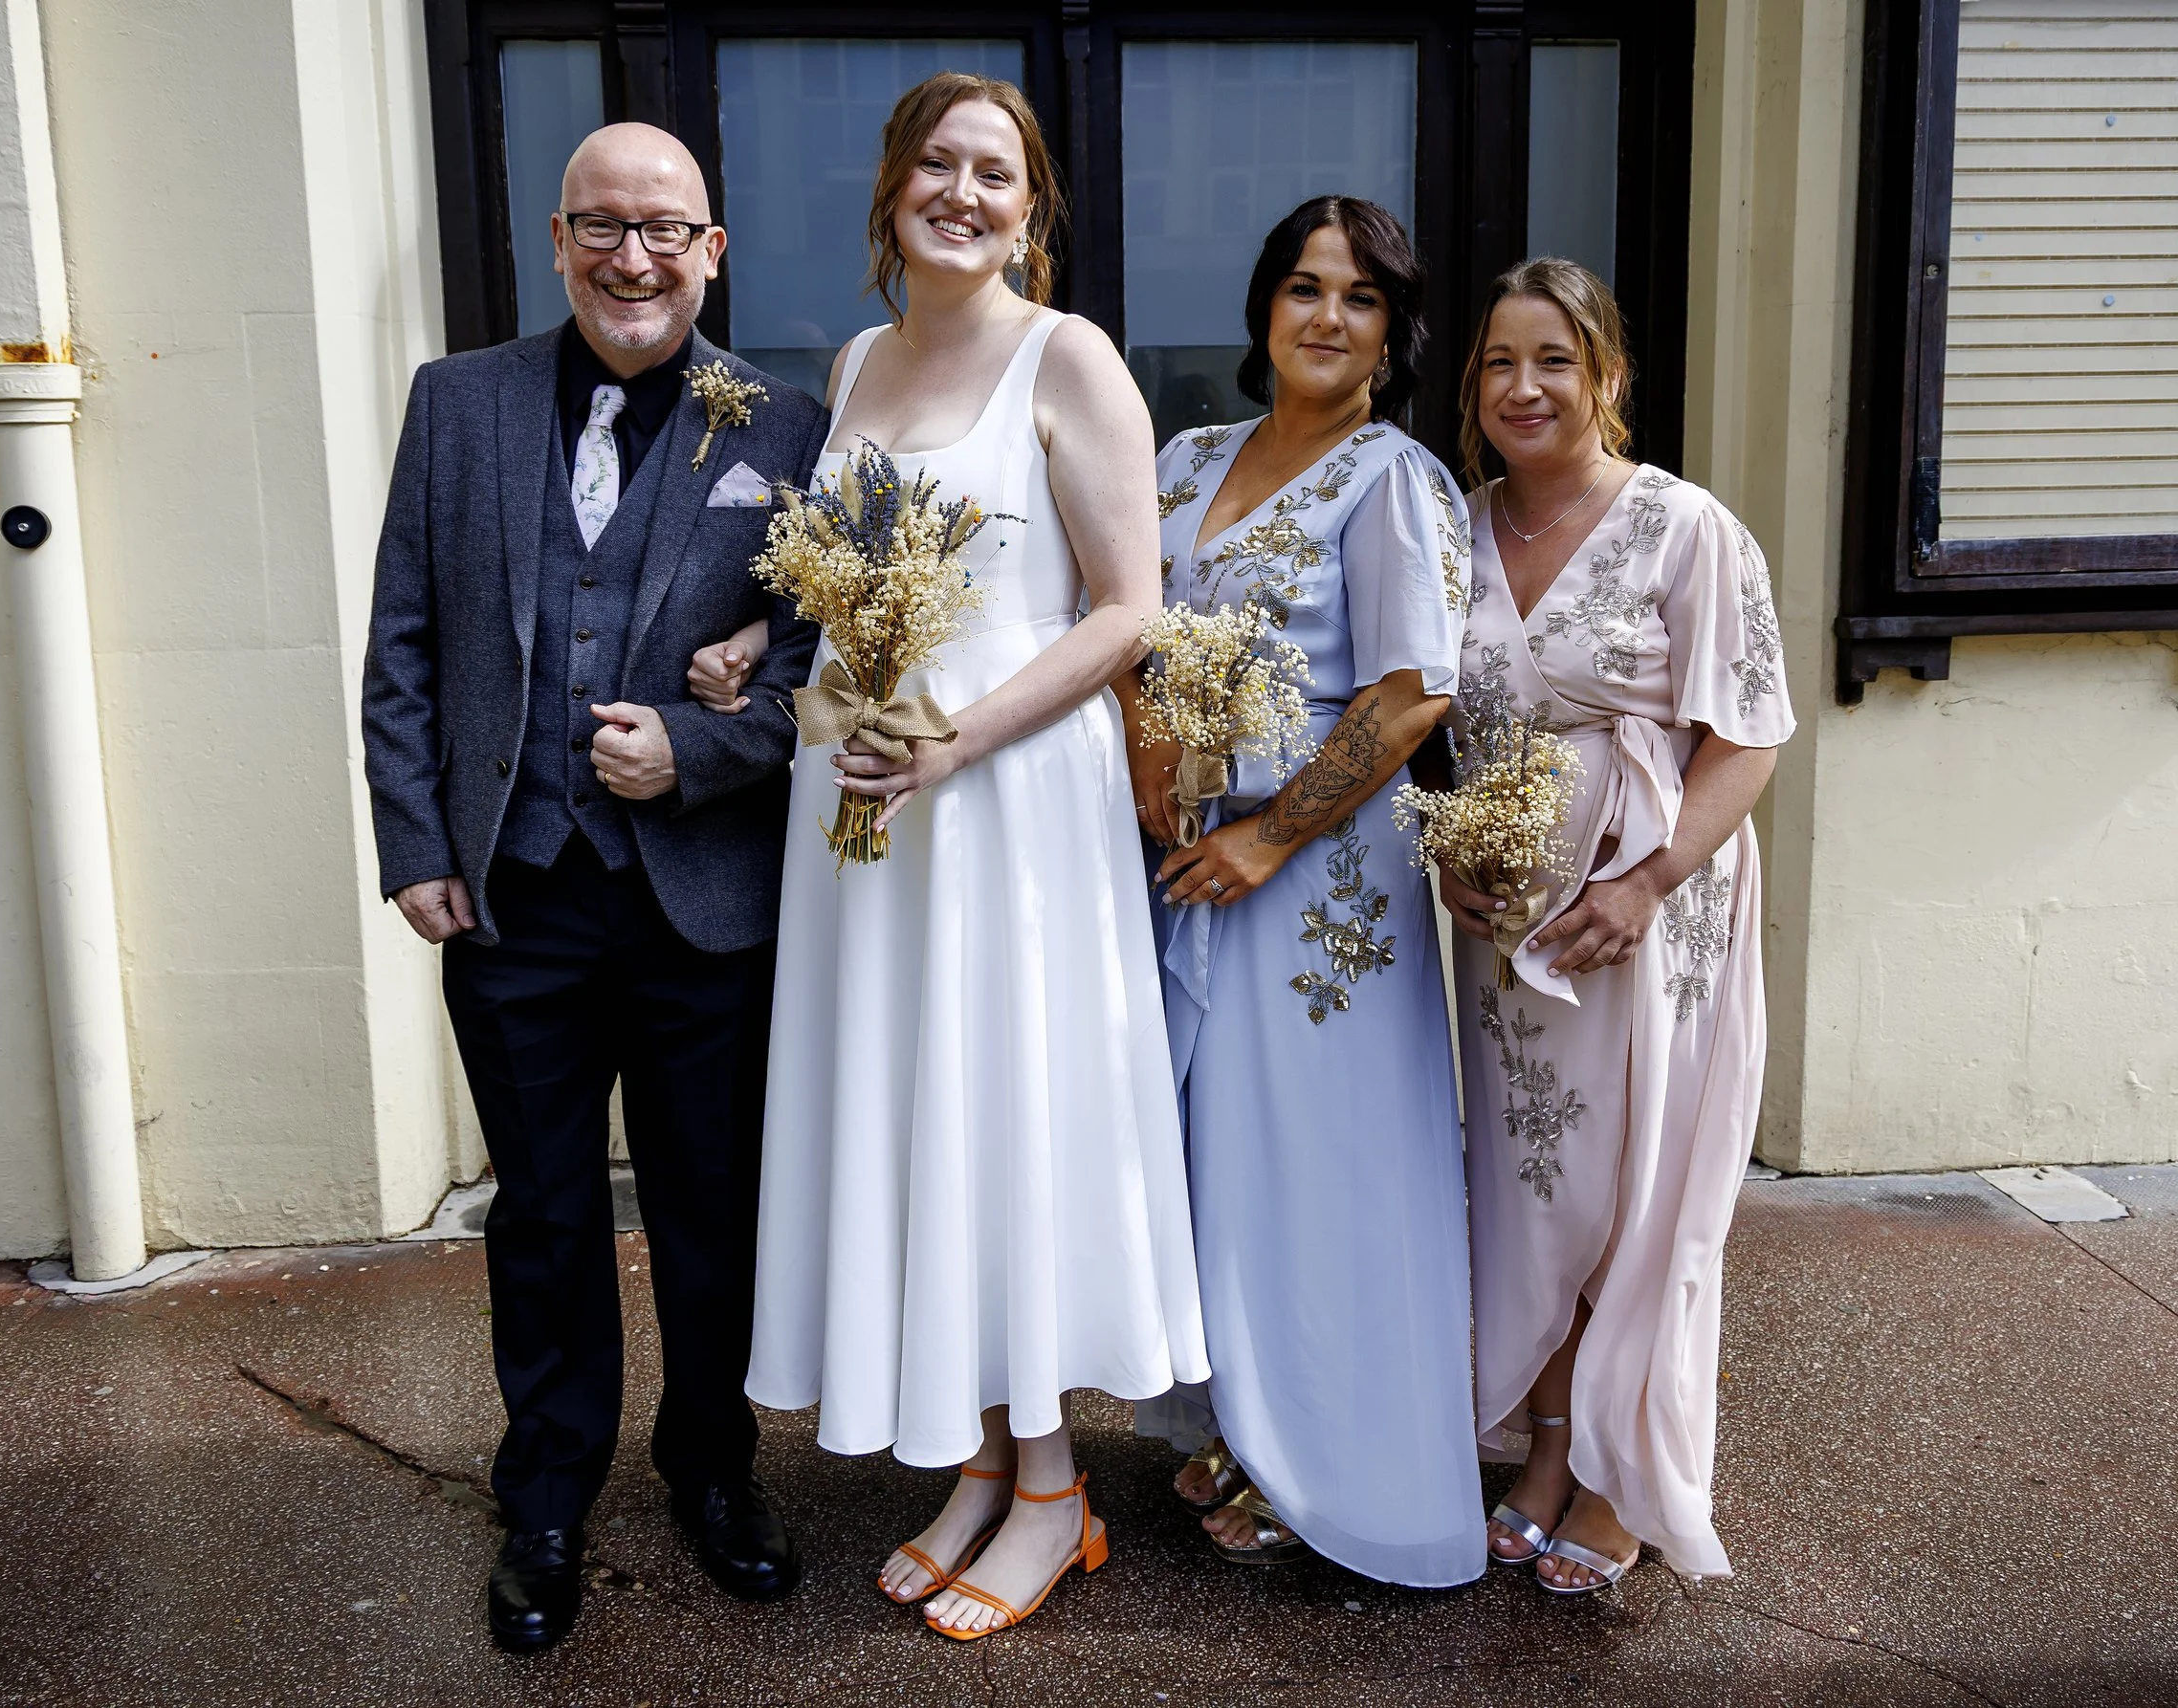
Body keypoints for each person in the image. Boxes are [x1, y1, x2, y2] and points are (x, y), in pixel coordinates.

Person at [711, 73, 1208, 1641]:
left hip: (1004, 798)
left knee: (1004, 1111)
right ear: (892, 188)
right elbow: (846, 586)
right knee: (921, 1113)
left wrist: (959, 742)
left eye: (996, 172)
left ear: (1031, 209)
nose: (964, 192)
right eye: (938, 162)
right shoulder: (856, 361)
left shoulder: (1072, 359)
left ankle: (1057, 1490)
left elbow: (1127, 610)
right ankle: (986, 1465)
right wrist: (762, 650)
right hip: (865, 799)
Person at [361, 122, 826, 1652]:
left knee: (708, 1206)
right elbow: (405, 638)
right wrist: (417, 841)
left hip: (705, 899)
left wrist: (700, 746)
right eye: (605, 227)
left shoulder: (788, 425)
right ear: (557, 240)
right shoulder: (457, 403)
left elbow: (829, 667)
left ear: (712, 251)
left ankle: (713, 1469)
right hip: (514, 894)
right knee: (546, 1213)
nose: (636, 258)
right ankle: (548, 1494)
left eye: (665, 229)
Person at [1124, 196, 1489, 1588]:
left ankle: (1337, 1462)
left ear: (1394, 334)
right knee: (1218, 1152)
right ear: (1263, 307)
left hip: (1320, 880)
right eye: (1303, 287)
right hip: (1181, 856)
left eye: (1360, 297)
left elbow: (1411, 694)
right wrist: (1148, 746)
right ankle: (1242, 1424)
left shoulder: (1395, 479)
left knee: (1324, 1162)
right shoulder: (1185, 458)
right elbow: (1122, 628)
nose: (1327, 316)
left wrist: (1271, 835)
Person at [1440, 257, 1793, 1595]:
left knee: (1634, 1190)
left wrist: (1646, 881)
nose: (1523, 386)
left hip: (1648, 917)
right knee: (1532, 1191)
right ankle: (1545, 1443)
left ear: (1607, 375)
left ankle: (1618, 1471)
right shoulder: (1455, 524)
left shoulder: (1685, 527)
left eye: (1554, 360)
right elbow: (1436, 721)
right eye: (1498, 361)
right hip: (1504, 929)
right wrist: (1452, 855)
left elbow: (1749, 733)